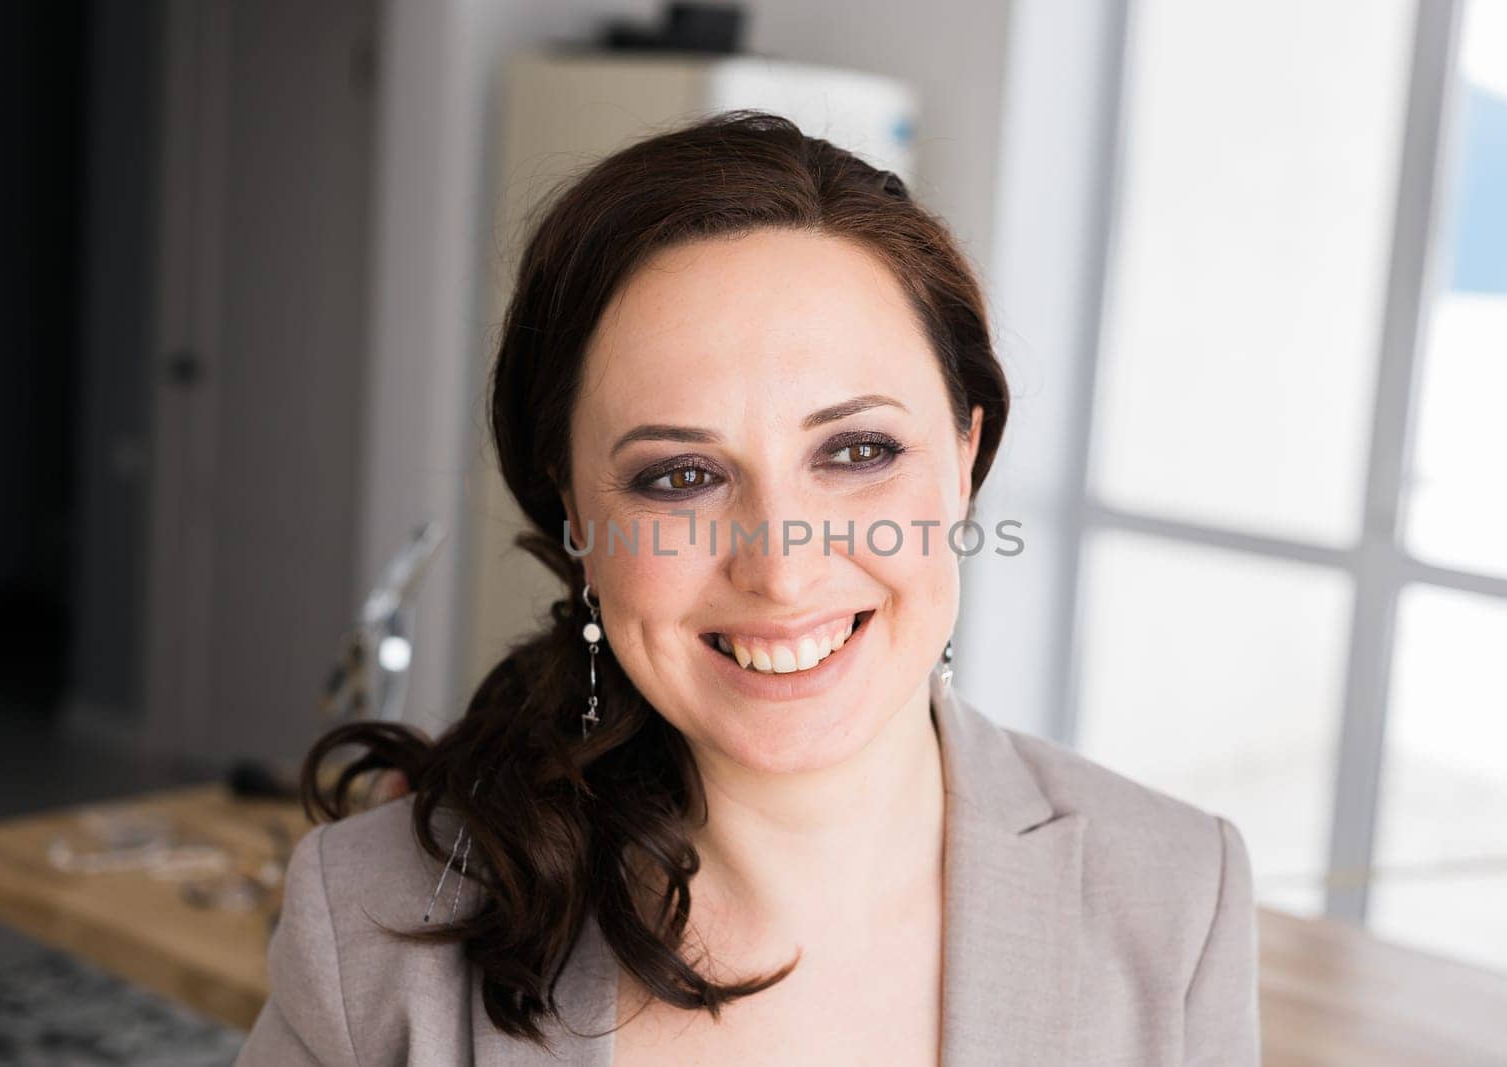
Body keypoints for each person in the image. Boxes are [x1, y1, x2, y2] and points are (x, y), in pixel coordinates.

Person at [235, 110, 1259, 1066]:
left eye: (857, 450)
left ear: (962, 458)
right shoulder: (372, 922)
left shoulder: (1175, 894)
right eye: (679, 476)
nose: (780, 567)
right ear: (575, 517)